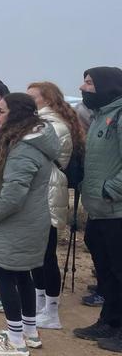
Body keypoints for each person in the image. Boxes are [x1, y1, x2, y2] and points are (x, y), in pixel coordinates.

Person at [0, 94, 59, 356]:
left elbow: (14, 194)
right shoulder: (32, 142)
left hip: (17, 223)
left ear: (15, 115)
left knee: (3, 275)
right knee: (23, 275)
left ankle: (15, 341)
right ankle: (29, 332)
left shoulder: (23, 148)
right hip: (30, 222)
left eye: (1, 111)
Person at [26, 81, 84, 330]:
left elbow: (39, 157)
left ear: (47, 99)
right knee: (37, 255)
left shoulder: (52, 125)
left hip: (47, 190)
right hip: (41, 190)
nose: (28, 102)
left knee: (46, 255)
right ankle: (40, 304)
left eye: (32, 97)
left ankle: (51, 310)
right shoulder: (41, 122)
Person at [73, 66, 122, 351]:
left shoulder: (119, 115)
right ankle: (110, 320)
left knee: (119, 270)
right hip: (98, 209)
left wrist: (110, 189)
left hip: (116, 210)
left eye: (89, 83)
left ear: (107, 85)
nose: (83, 88)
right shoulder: (101, 115)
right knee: (105, 270)